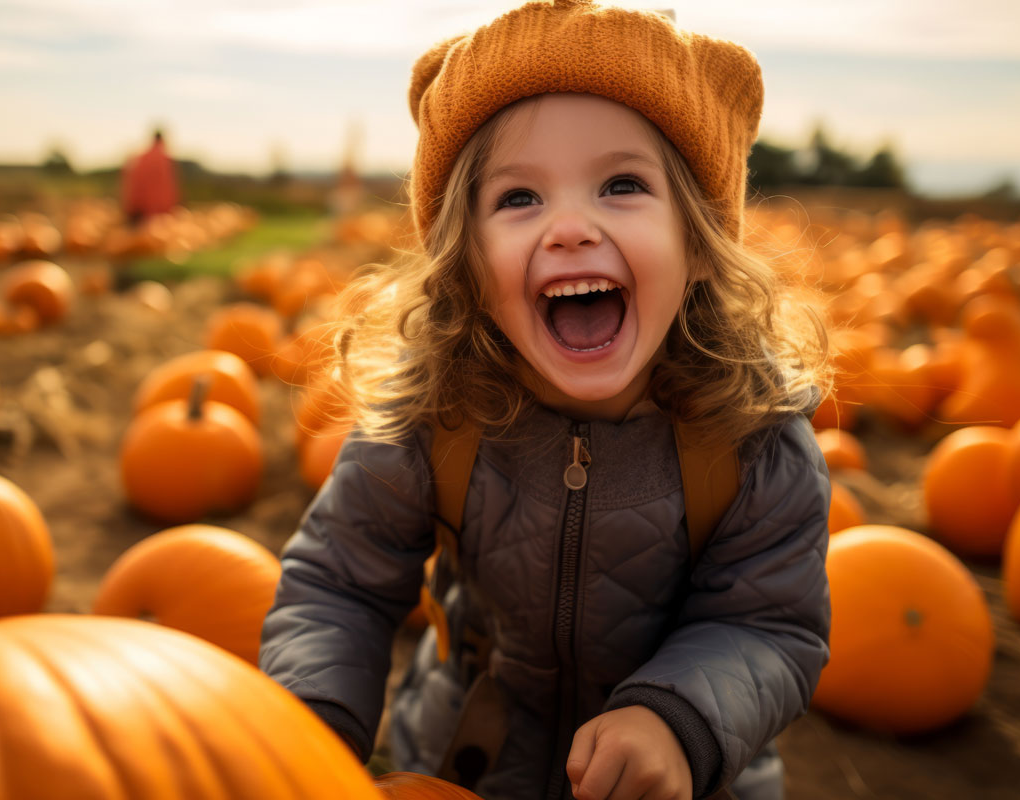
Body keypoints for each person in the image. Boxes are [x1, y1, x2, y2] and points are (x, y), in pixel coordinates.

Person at [259, 2, 832, 799]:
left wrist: (679, 718)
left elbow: (768, 626)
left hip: (684, 781)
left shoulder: (753, 438)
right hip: (472, 762)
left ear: (698, 244)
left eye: (622, 185)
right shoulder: (437, 413)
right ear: (464, 261)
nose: (569, 226)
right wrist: (312, 720)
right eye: (519, 198)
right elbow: (339, 582)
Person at [120, 128, 181, 226]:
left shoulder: (141, 157)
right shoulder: (165, 159)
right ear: (162, 140)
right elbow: (170, 186)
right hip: (159, 210)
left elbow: (131, 183)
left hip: (140, 208)